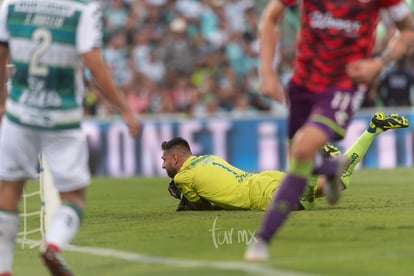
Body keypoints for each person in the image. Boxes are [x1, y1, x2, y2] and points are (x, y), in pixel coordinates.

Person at [244, 0, 414, 261]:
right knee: (301, 159)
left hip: (344, 86)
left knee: (302, 151)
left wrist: (379, 64)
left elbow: (408, 30)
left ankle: (262, 239)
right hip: (302, 84)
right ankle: (331, 169)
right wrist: (266, 71)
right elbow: (270, 16)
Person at [0, 1, 140, 275]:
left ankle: (3, 269)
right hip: (62, 118)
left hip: (21, 114)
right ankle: (53, 245)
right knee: (74, 197)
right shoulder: (82, 10)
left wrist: (1, 101)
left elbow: (1, 53)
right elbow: (93, 62)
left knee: (8, 190)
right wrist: (124, 109)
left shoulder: (12, 7)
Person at [161, 112, 408, 212]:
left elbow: (203, 208)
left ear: (175, 157)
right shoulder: (207, 158)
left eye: (164, 160)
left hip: (263, 194)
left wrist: (184, 198)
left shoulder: (183, 177)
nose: (163, 166)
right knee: (338, 184)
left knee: (305, 200)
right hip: (264, 179)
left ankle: (317, 159)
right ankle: (372, 129)